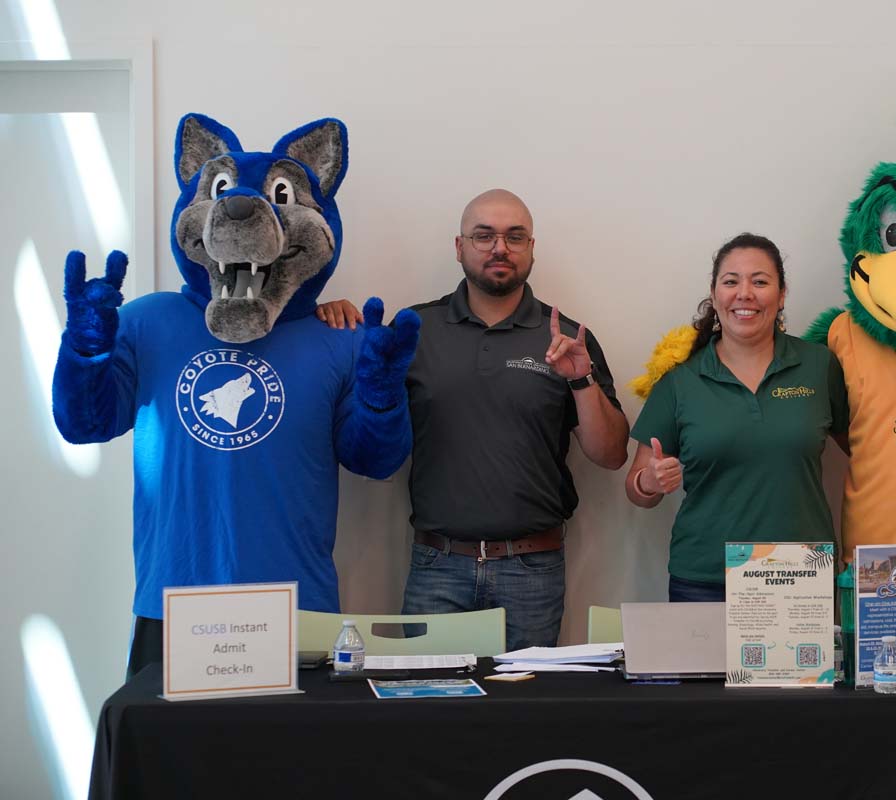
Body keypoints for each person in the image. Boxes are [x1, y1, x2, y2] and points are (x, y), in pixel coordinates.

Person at [317, 189, 629, 649]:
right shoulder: (414, 329)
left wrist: (581, 380)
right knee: (429, 696)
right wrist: (326, 312)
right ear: (459, 247)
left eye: (514, 237)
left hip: (533, 569)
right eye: (484, 236)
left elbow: (611, 454)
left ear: (531, 248)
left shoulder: (568, 338)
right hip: (437, 565)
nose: (500, 248)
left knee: (529, 697)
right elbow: (374, 435)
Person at [625, 233, 848, 602]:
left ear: (782, 294)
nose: (745, 293)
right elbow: (637, 491)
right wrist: (649, 481)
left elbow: (864, 452)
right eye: (731, 282)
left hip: (801, 573)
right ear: (714, 295)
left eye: (760, 282)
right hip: (705, 579)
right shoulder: (680, 380)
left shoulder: (819, 365)